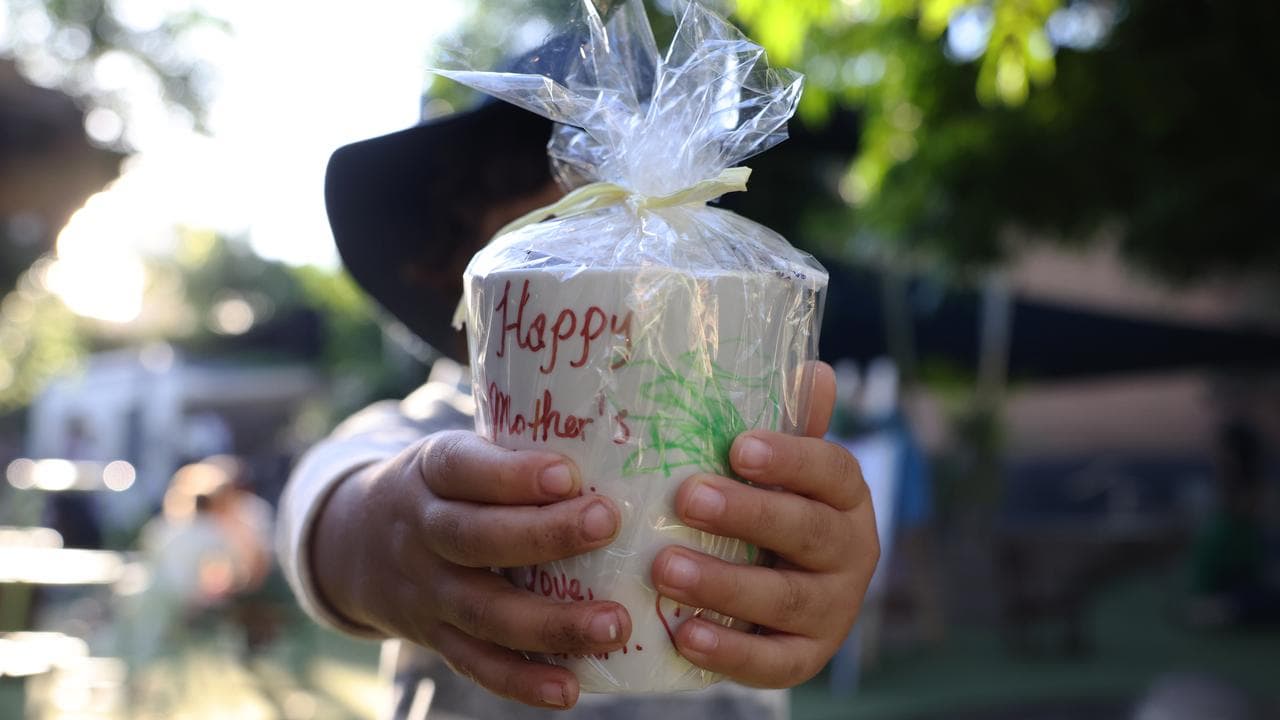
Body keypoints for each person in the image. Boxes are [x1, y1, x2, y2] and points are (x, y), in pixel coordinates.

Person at [276, 91, 879, 718]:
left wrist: (816, 570)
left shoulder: (743, 418)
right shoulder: (426, 433)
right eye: (527, 174)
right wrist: (390, 532)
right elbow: (319, 500)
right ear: (452, 267)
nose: (612, 231)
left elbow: (809, 556)